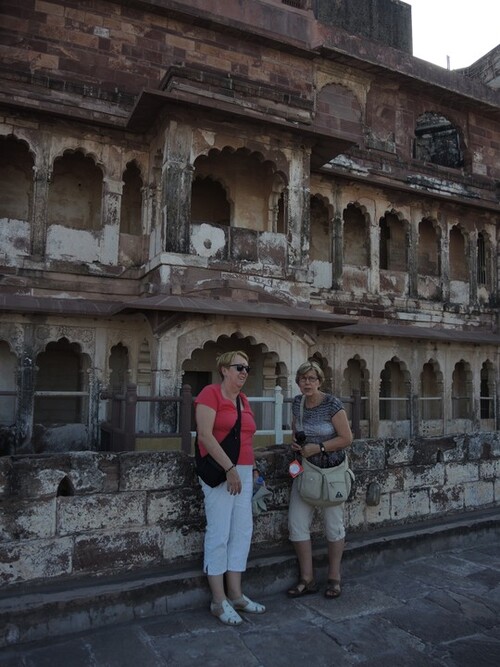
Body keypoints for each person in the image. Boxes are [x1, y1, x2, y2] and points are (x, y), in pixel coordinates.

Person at [195, 350, 266, 625]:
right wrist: (230, 468)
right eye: (239, 367)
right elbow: (205, 436)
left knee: (242, 530)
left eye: (247, 368)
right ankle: (218, 599)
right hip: (221, 472)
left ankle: (236, 593)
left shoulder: (243, 400)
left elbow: (245, 439)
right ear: (224, 369)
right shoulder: (210, 394)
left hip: (244, 472)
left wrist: (253, 469)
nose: (244, 372)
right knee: (220, 531)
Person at [287, 360, 353, 599]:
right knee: (296, 524)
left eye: (312, 378)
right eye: (304, 378)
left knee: (334, 526)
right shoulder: (298, 403)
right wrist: (296, 443)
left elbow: (346, 438)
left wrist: (319, 448)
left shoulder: (331, 404)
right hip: (305, 470)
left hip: (331, 472)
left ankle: (334, 578)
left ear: (320, 381)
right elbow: (296, 430)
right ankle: (307, 578)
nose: (307, 383)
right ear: (298, 381)